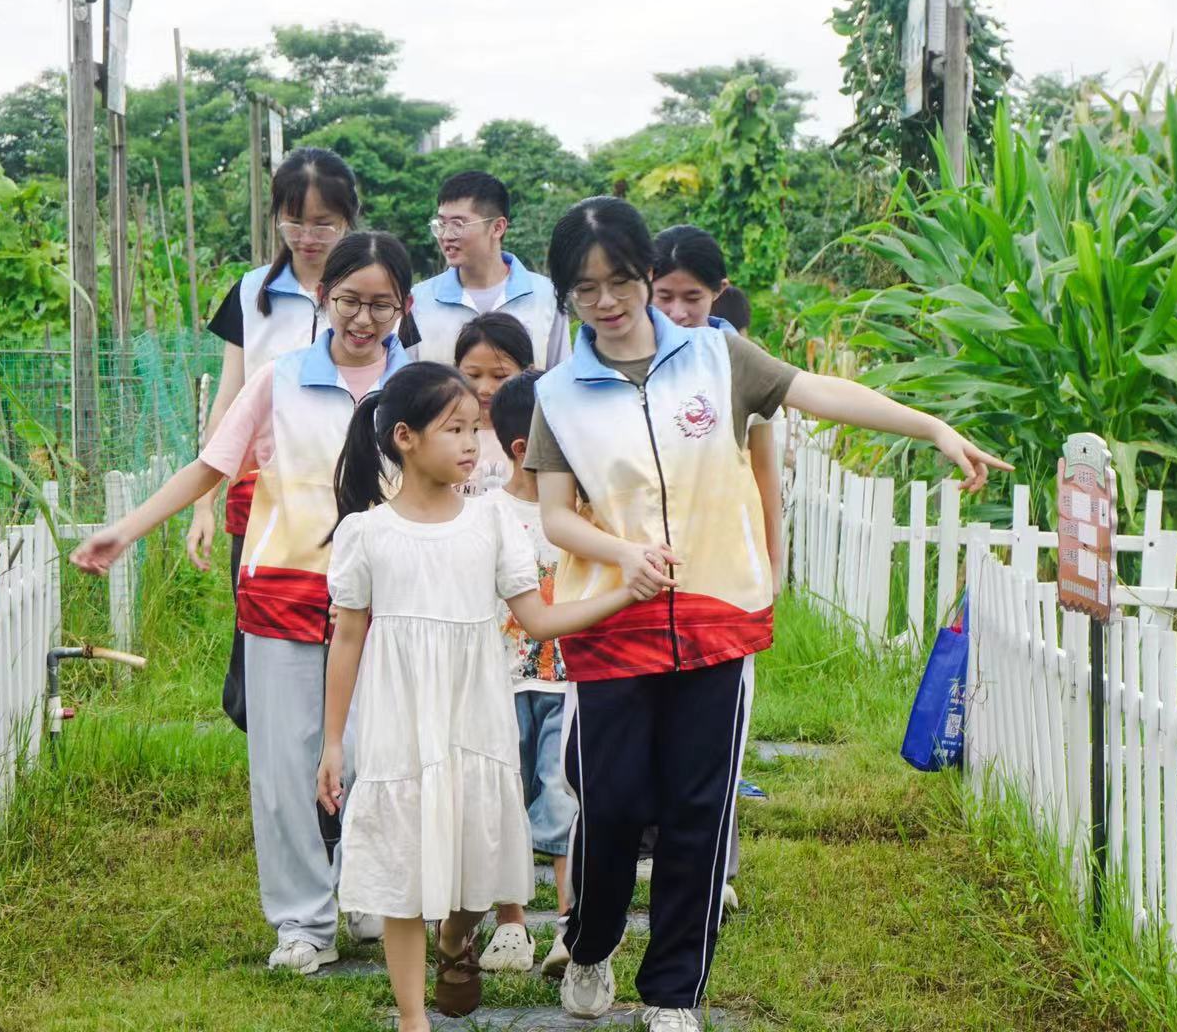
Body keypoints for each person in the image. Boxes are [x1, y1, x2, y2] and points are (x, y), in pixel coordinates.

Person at [529, 197, 1010, 1030]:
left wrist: (932, 428)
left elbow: (819, 392)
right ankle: (593, 937)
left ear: (647, 274)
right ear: (566, 295)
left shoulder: (718, 358)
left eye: (617, 282)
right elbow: (555, 514)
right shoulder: (560, 391)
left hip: (717, 613)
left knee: (696, 806)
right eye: (583, 290)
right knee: (610, 803)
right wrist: (621, 557)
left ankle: (673, 991)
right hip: (612, 619)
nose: (605, 304)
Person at [72, 230, 416, 976]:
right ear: (322, 298)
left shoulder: (422, 384)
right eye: (349, 300)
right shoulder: (278, 379)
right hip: (286, 591)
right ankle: (301, 920)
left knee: (374, 752)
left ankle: (363, 893)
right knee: (287, 762)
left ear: (405, 307)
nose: (362, 319)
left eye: (380, 305)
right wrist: (125, 533)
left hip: (391, 600)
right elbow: (209, 467)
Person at [315, 362, 638, 1031]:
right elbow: (347, 639)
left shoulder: (491, 523)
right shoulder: (366, 533)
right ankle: (412, 1019)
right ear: (403, 437)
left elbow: (540, 619)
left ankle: (456, 937)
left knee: (478, 855)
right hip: (399, 716)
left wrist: (622, 595)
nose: (471, 445)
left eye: (474, 429)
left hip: (474, 711)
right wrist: (332, 742)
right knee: (404, 867)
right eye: (453, 429)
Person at [191, 148, 360, 731]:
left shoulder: (372, 294)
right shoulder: (249, 293)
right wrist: (202, 504)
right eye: (295, 221)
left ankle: (337, 768)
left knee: (349, 628)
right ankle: (280, 760)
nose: (308, 237)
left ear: (349, 221)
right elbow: (229, 403)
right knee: (260, 644)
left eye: (324, 224)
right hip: (264, 501)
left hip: (353, 497)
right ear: (275, 219)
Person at [652, 226, 778, 818]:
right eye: (665, 296)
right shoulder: (624, 357)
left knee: (714, 738)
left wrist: (774, 569)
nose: (678, 312)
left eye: (693, 299)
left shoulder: (737, 364)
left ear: (718, 293)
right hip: (645, 575)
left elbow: (765, 478)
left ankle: (714, 862)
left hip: (723, 577)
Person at [473, 368, 579, 980]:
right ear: (526, 449)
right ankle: (510, 924)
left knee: (563, 796)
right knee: (502, 802)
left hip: (566, 682)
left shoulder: (584, 511)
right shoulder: (486, 513)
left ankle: (570, 922)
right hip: (498, 684)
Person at [410, 170, 570, 367]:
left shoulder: (546, 297)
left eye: (458, 224)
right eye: (441, 224)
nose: (446, 236)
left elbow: (559, 378)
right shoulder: (418, 301)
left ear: (497, 227)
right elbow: (405, 382)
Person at [452, 313, 534, 497]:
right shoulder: (438, 433)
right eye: (473, 375)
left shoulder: (536, 435)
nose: (484, 389)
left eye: (499, 376)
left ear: (528, 373)